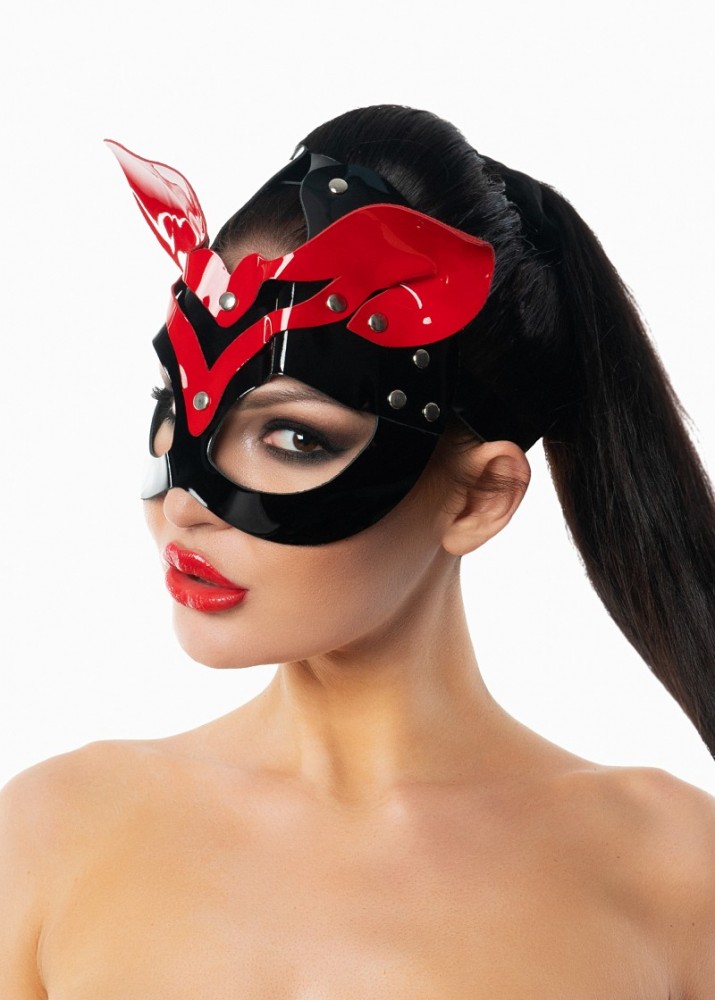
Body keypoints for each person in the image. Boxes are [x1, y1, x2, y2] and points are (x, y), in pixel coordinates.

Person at [2, 104, 714, 998]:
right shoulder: (49, 836)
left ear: (479, 497)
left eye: (293, 437)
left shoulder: (676, 870)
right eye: (176, 408)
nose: (184, 502)